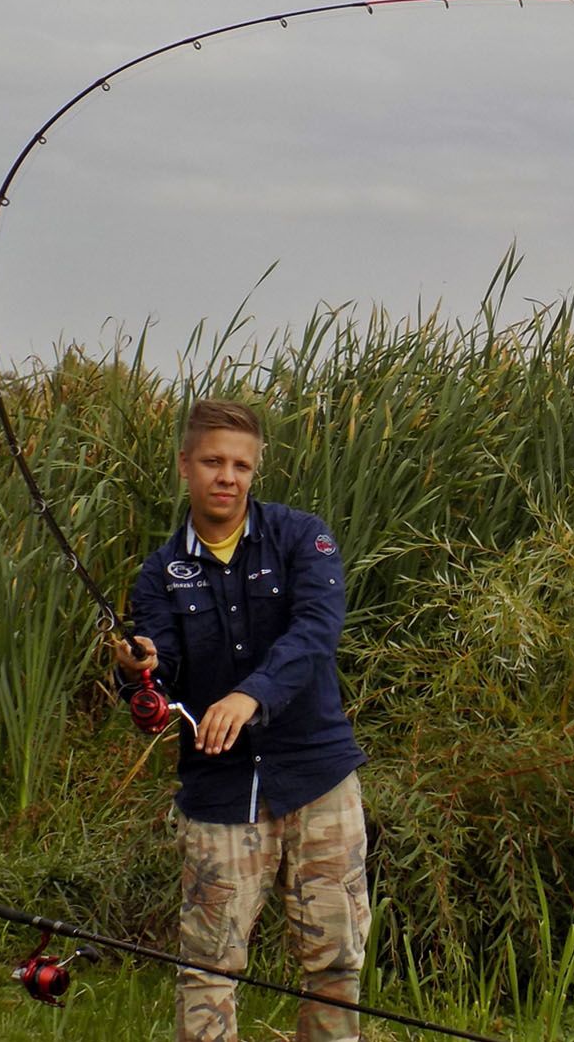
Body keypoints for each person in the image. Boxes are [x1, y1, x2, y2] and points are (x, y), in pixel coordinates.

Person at [114, 398, 369, 1042]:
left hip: (319, 776)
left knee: (335, 961)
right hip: (219, 789)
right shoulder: (159, 573)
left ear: (254, 472)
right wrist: (137, 674)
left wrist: (248, 695)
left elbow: (316, 633)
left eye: (241, 465)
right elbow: (157, 690)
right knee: (205, 964)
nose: (226, 476)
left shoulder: (302, 537)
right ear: (185, 466)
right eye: (212, 462)